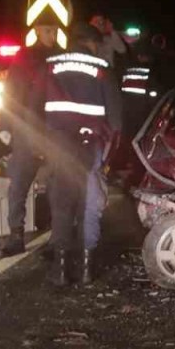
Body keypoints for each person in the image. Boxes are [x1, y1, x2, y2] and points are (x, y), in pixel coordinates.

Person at [37, 22, 122, 285]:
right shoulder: (101, 68)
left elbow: (33, 105)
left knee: (62, 202)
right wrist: (110, 152)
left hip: (58, 143)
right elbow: (116, 119)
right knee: (89, 202)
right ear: (92, 43)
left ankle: (61, 270)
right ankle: (86, 269)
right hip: (90, 144)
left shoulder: (50, 64)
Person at [0, 22, 59, 257]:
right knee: (19, 186)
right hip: (26, 130)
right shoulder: (25, 56)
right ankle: (16, 236)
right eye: (47, 30)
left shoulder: (58, 57)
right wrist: (5, 125)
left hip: (53, 131)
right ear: (37, 31)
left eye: (53, 30)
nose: (52, 34)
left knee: (56, 187)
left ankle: (57, 239)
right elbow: (10, 91)